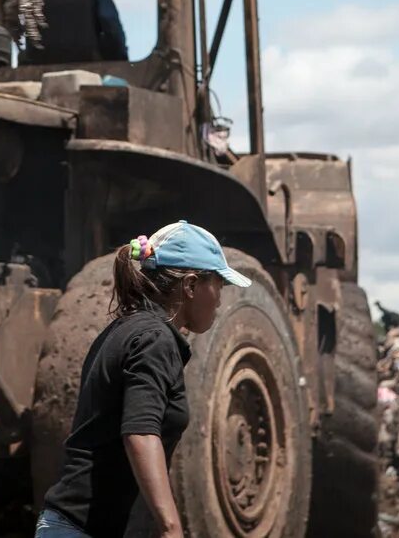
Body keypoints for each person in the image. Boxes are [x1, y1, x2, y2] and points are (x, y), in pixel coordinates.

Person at [37, 220, 251, 537]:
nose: (220, 298)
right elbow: (140, 431)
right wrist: (171, 527)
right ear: (191, 286)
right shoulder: (155, 340)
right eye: (219, 284)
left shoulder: (124, 331)